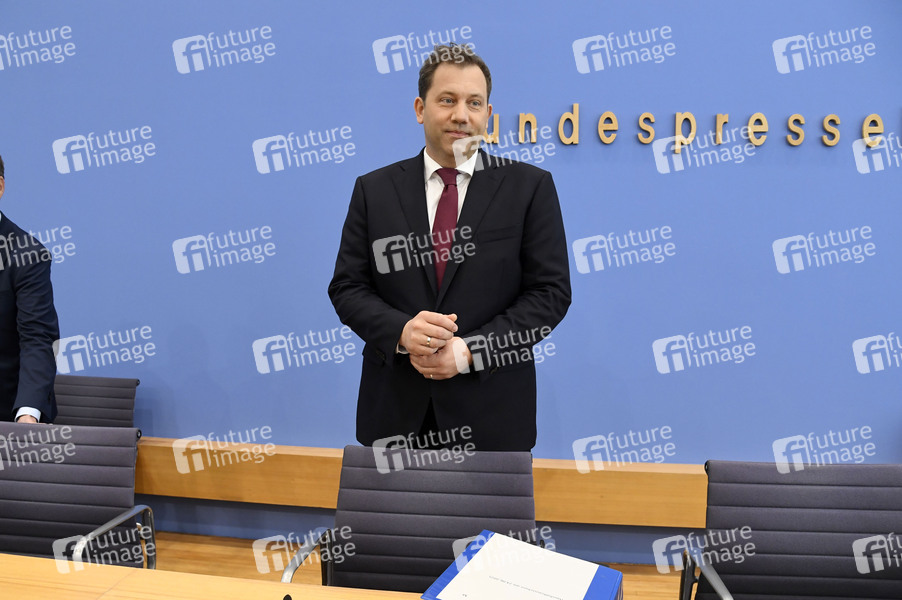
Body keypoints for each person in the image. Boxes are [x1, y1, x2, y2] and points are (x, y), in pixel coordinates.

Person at [328, 45, 570, 451]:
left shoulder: (529, 188)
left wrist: (470, 351)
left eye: (474, 103)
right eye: (447, 100)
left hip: (493, 419)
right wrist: (402, 331)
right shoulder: (374, 190)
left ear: (487, 114)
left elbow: (550, 294)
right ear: (420, 108)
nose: (461, 115)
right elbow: (347, 287)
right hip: (394, 419)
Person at [0, 154, 60, 423]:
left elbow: (37, 339)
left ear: (0, 187)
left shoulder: (27, 255)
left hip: (6, 417)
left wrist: (27, 412)